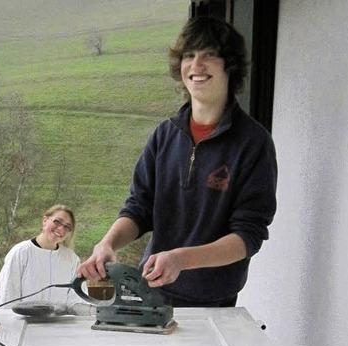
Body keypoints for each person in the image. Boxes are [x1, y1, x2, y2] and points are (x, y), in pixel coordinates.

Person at [78, 17, 277, 307]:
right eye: (189, 55)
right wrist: (107, 243)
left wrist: (182, 258)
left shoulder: (253, 143)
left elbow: (247, 236)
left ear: (230, 66)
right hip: (150, 293)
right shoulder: (164, 135)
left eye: (209, 54)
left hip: (213, 304)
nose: (196, 65)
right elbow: (138, 208)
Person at [0, 205, 93, 315]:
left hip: (61, 326)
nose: (61, 229)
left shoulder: (72, 259)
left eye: (67, 227)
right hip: (25, 324)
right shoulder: (20, 253)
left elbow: (78, 300)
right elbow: (7, 297)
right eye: (57, 222)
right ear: (45, 220)